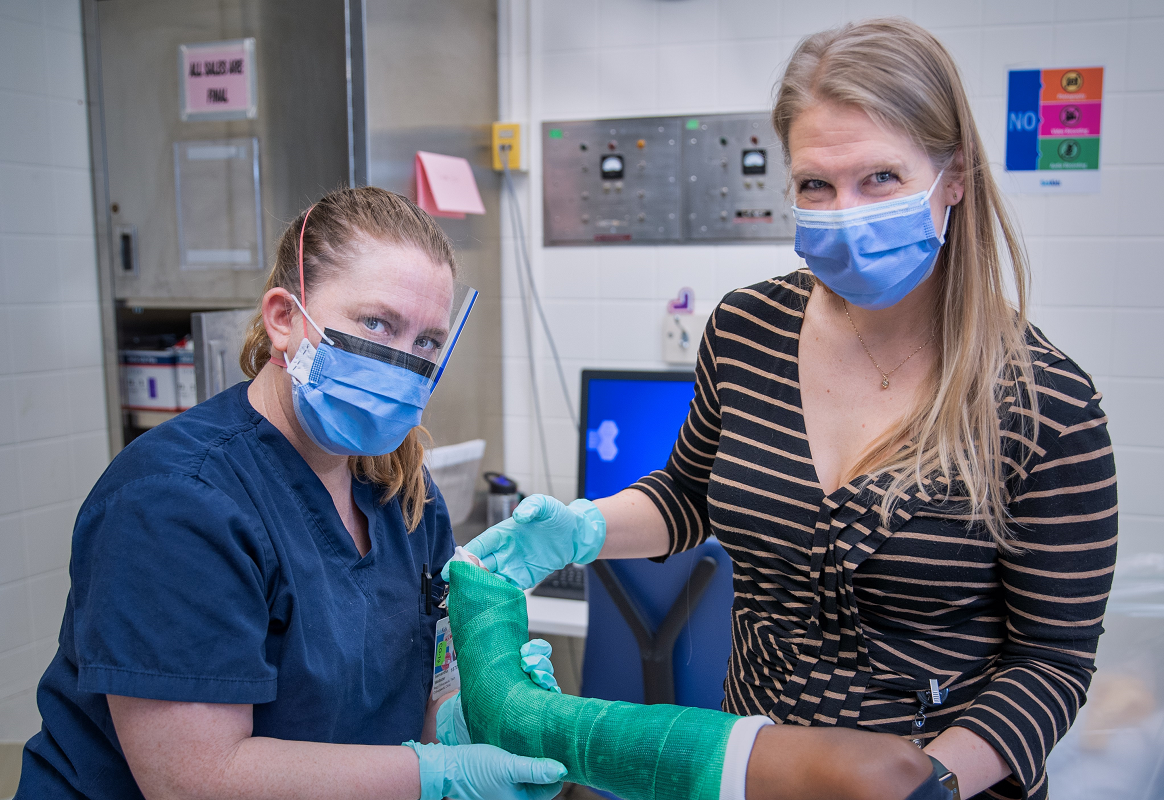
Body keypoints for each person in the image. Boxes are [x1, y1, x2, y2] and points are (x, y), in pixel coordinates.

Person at [462, 19, 1117, 800]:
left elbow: (1053, 663)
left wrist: (930, 781)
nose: (844, 212)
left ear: (955, 177)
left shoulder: (1046, 404)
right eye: (816, 185)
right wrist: (582, 531)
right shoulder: (746, 331)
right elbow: (688, 494)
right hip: (753, 768)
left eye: (880, 179)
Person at [16, 187, 566, 800]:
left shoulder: (399, 486)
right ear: (284, 318)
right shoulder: (173, 504)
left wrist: (479, 714)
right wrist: (436, 778)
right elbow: (196, 780)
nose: (402, 362)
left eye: (427, 343)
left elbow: (430, 685)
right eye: (376, 323)